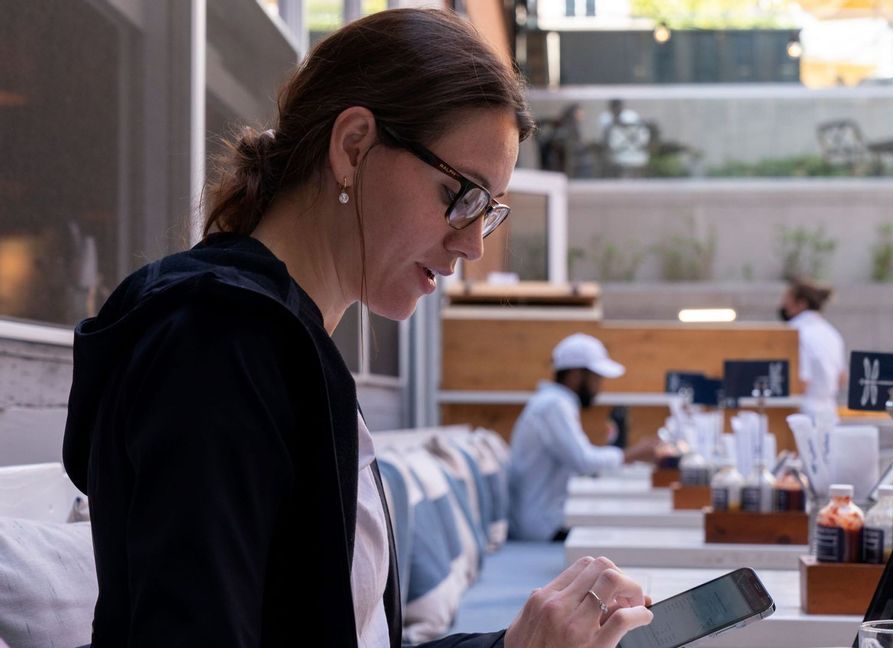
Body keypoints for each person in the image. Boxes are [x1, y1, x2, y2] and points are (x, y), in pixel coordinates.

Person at [62, 9, 651, 647]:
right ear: (354, 147)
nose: (474, 245)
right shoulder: (220, 344)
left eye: (491, 211)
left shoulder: (282, 346)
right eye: (463, 196)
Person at [508, 333, 662, 542]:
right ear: (575, 375)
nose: (600, 387)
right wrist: (634, 454)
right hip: (542, 527)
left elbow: (580, 458)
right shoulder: (553, 406)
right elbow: (584, 461)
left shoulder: (556, 402)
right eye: (597, 378)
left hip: (544, 519)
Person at [778, 279, 846, 424]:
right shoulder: (832, 333)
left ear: (801, 303)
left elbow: (802, 381)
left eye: (787, 301)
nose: (783, 306)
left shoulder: (794, 332)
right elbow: (841, 378)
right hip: (830, 413)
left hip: (803, 415)